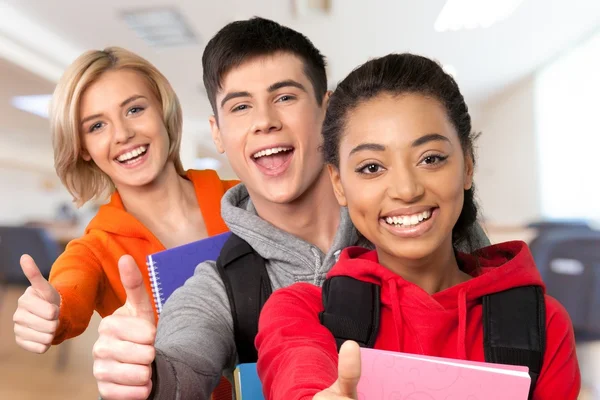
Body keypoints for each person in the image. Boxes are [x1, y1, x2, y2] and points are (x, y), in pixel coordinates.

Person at [91, 20, 490, 400]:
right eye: (240, 107)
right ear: (218, 133)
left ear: (327, 111)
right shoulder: (220, 286)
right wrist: (143, 375)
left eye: (284, 97)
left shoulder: (424, 222)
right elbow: (182, 370)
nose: (265, 121)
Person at [255, 53, 581, 400]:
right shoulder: (302, 312)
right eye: (371, 167)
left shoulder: (541, 325)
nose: (406, 190)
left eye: (430, 159)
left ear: (468, 164)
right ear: (338, 184)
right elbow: (300, 374)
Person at [12, 47, 237, 354]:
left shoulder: (244, 198)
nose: (122, 134)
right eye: (96, 126)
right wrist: (51, 309)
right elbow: (69, 290)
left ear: (162, 110)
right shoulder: (94, 250)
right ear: (84, 148)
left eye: (134, 110)